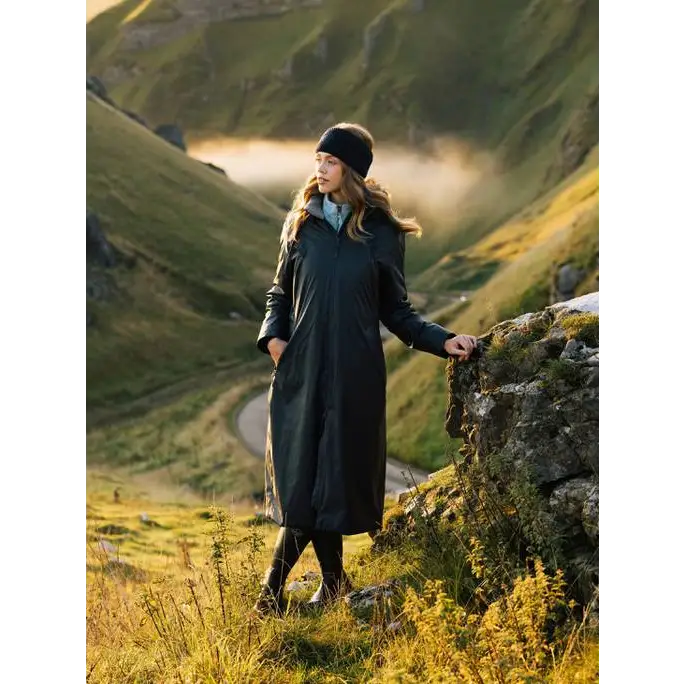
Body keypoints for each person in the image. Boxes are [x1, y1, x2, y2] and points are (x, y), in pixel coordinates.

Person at [253, 122, 478, 617]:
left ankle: (275, 594)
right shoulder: (301, 224)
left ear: (351, 170)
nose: (319, 169)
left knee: (328, 481)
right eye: (317, 159)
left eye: (329, 162)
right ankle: (322, 586)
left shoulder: (379, 232)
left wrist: (444, 341)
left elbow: (397, 311)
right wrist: (273, 338)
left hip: (354, 377)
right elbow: (279, 294)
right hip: (300, 373)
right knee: (303, 481)